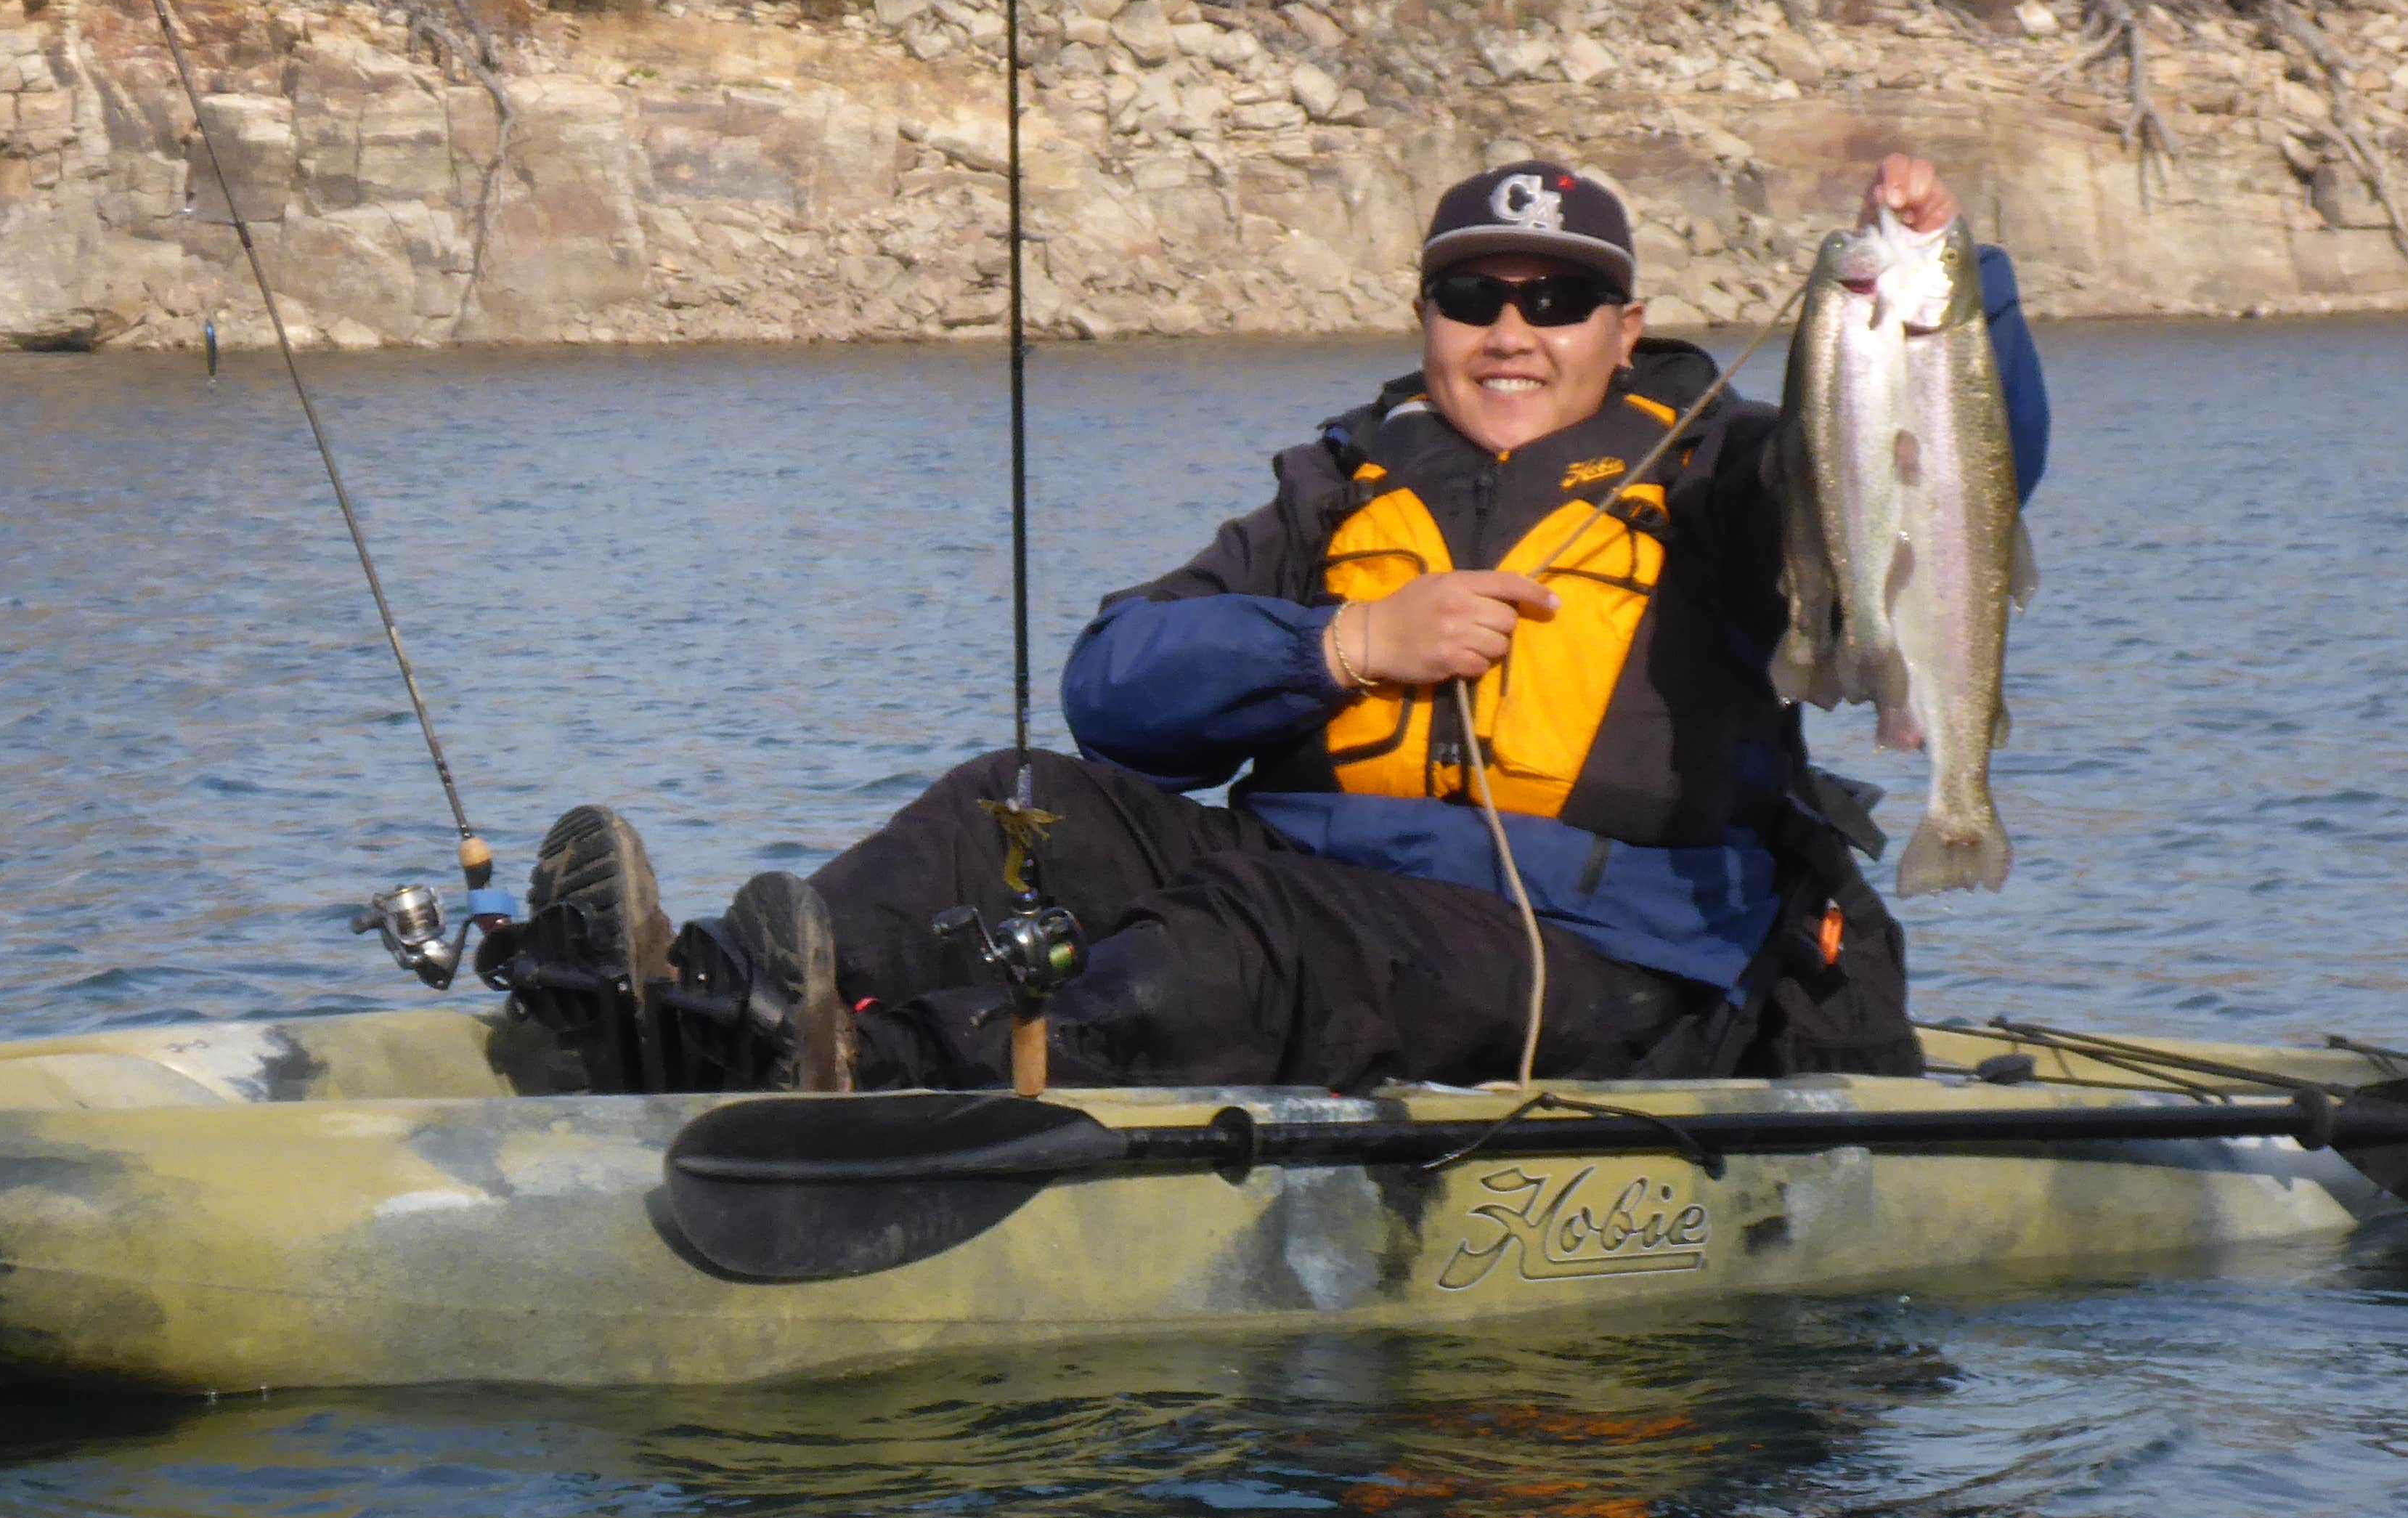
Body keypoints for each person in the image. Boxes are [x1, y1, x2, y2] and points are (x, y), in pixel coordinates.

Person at [503, 154, 2048, 1097]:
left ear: (1623, 331)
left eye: (1557, 299)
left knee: (1242, 954)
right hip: (1313, 876)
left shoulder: (1732, 469)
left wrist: (1957, 276)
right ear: (1426, 320)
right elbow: (1115, 686)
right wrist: (1343, 648)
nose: (1512, 329)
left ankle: (879, 1072)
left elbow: (1975, 469)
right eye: (1472, 297)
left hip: (1610, 961)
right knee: (1016, 801)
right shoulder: (1336, 495)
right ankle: (701, 1000)